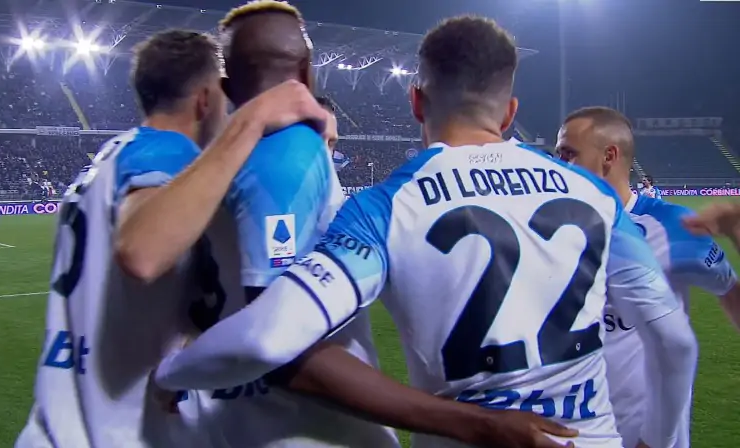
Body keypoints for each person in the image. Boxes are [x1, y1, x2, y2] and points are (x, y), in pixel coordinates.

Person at [155, 15, 697, 448]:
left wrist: (172, 372)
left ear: (415, 101)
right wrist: (659, 440)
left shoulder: (385, 207)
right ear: (510, 112)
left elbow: (265, 338)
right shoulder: (594, 193)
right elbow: (674, 343)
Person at [15, 30, 330, 448]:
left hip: (54, 426)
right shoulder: (169, 152)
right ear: (205, 99)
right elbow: (142, 253)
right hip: (114, 433)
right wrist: (250, 122)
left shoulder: (111, 157)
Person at [556, 106, 740, 447]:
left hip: (648, 438)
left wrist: (736, 234)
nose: (559, 165)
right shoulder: (550, 229)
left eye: (569, 154)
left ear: (609, 156)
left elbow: (732, 296)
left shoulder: (672, 227)